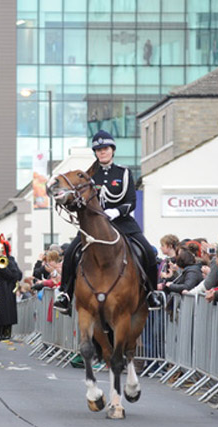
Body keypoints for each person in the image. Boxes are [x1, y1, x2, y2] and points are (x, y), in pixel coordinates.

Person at [54, 129, 161, 314]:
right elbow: (79, 202)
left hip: (122, 223)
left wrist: (115, 212)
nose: (102, 152)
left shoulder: (124, 172)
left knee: (148, 252)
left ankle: (152, 293)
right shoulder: (87, 175)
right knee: (71, 253)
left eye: (105, 148)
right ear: (95, 152)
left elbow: (131, 202)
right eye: (98, 149)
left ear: (112, 150)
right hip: (94, 226)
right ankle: (65, 294)